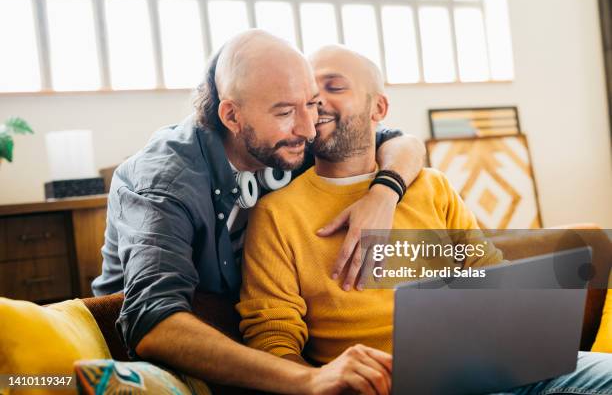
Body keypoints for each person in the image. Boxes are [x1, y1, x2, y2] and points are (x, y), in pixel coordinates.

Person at [237, 44, 612, 395]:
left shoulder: (431, 186)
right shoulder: (277, 214)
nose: (317, 99)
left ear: (378, 108)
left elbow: (488, 271)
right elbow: (272, 336)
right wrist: (320, 380)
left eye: (333, 85)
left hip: (490, 363)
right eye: (308, 92)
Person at [92, 30, 426, 394]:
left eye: (311, 104)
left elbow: (399, 141)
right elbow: (152, 322)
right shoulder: (163, 180)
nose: (309, 127)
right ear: (231, 115)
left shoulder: (290, 141)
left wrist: (384, 193)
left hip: (260, 338)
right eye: (284, 112)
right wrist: (311, 378)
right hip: (171, 355)